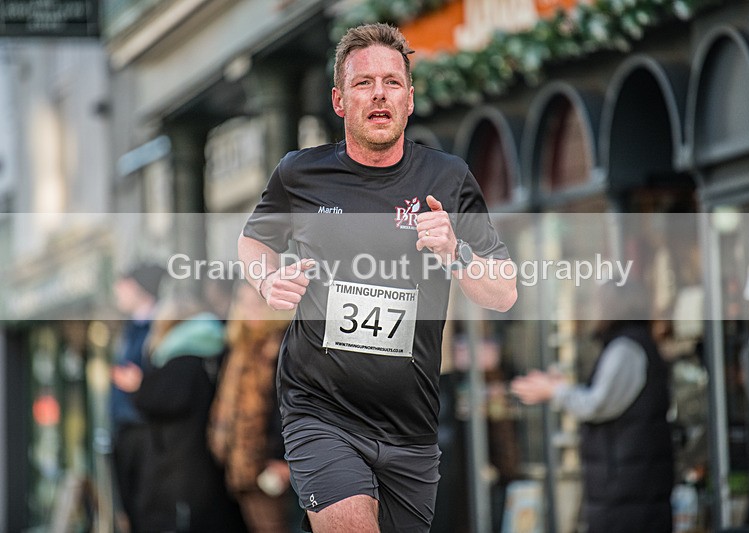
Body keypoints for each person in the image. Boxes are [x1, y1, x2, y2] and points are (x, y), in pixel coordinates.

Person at [238, 23, 517, 533]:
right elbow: (254, 241)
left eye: (392, 82)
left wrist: (456, 252)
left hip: (411, 425)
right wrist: (266, 279)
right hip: (320, 410)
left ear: (410, 99)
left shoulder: (448, 178)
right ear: (339, 101)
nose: (379, 93)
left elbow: (503, 292)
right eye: (363, 83)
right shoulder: (300, 174)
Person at [510, 283, 674, 533]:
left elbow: (597, 404)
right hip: (630, 489)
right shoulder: (631, 344)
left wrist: (555, 391)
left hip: (627, 491)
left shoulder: (626, 348)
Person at [111, 295, 247, 532]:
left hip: (183, 474)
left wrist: (139, 387)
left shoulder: (180, 362)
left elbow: (160, 402)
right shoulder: (216, 350)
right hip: (210, 469)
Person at [208, 281, 294, 533]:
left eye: (257, 303)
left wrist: (281, 457)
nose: (250, 309)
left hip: (272, 466)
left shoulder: (283, 345)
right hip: (242, 465)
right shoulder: (239, 347)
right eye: (243, 302)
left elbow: (287, 406)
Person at [109, 262, 165, 532]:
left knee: (150, 509)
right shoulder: (130, 328)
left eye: (124, 284)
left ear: (139, 288)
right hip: (126, 429)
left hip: (148, 431)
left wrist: (142, 384)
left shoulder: (160, 326)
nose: (117, 290)